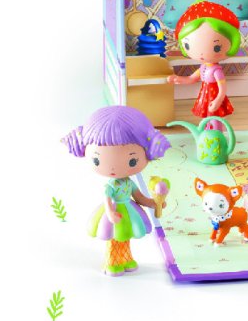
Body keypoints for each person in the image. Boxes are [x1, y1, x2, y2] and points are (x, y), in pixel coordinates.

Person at [62, 106, 170, 275]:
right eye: (97, 160)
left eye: (132, 161)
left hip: (128, 210)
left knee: (124, 235)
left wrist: (153, 203)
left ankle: (126, 258)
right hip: (114, 212)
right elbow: (107, 199)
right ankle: (112, 261)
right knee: (115, 236)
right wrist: (110, 213)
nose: (113, 168)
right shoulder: (110, 186)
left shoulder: (129, 183)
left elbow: (139, 197)